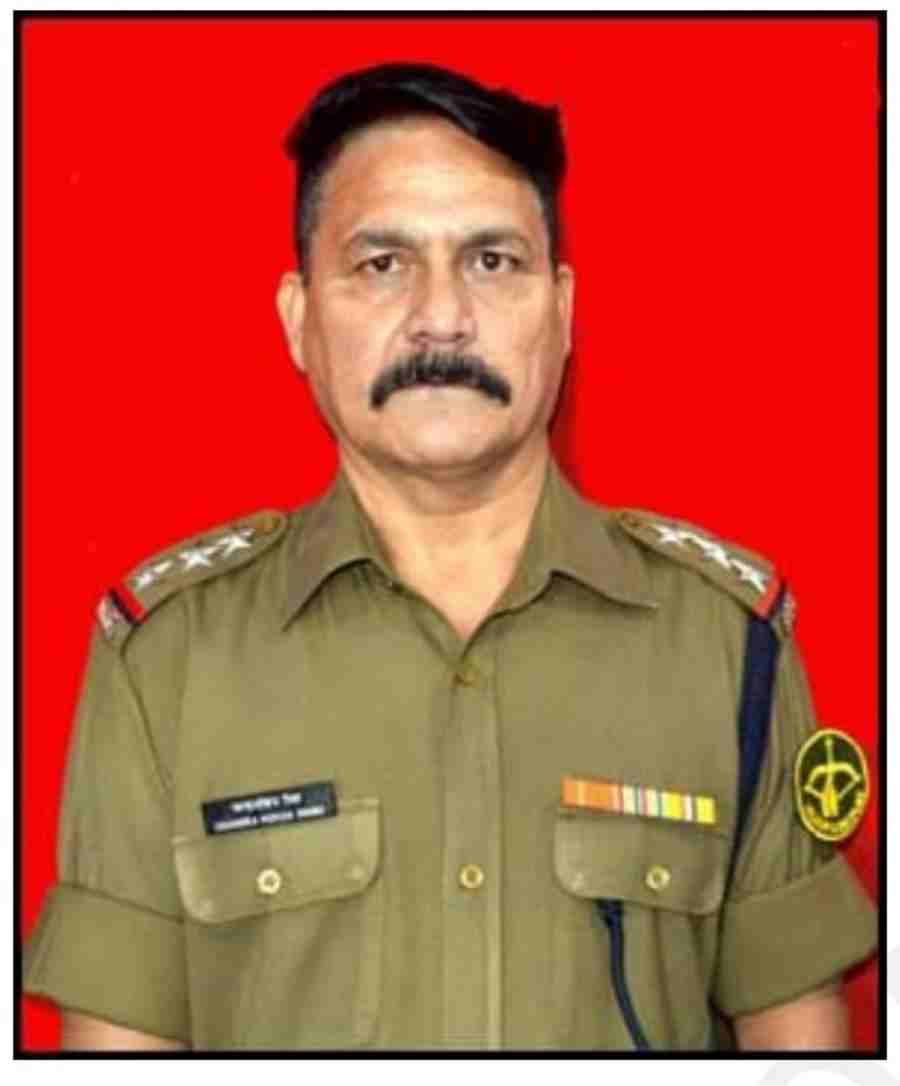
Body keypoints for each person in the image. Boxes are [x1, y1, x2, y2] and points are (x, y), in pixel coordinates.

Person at [24, 63, 876, 1052]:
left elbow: (797, 1048)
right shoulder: (166, 659)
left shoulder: (727, 643)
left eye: (492, 261)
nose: (441, 316)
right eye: (382, 263)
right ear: (300, 320)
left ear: (562, 311)